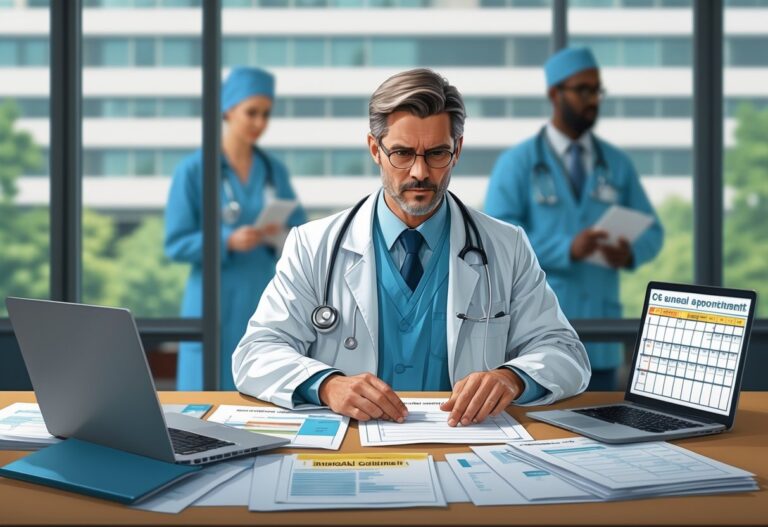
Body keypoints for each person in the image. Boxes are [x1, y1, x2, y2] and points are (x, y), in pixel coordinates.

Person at [232, 68, 589, 426]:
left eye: (437, 153)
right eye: (402, 153)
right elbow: (256, 353)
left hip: (465, 442)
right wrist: (326, 385)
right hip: (353, 442)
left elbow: (566, 353)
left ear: (457, 151)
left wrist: (512, 378)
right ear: (375, 149)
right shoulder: (313, 246)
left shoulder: (506, 246)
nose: (420, 172)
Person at [484, 47, 663, 390]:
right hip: (536, 347)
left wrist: (630, 253)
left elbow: (653, 231)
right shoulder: (518, 163)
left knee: (606, 422)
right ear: (555, 94)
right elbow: (495, 240)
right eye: (583, 90)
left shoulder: (617, 164)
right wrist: (567, 248)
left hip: (601, 339)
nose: (592, 99)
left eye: (596, 91)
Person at [165, 67, 306, 390]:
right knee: (203, 394)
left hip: (261, 292)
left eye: (266, 114)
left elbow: (301, 235)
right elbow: (176, 242)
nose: (260, 123)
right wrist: (227, 241)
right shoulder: (193, 171)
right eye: (251, 112)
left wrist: (279, 236)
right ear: (228, 110)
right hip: (211, 297)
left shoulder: (273, 170)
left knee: (260, 388)